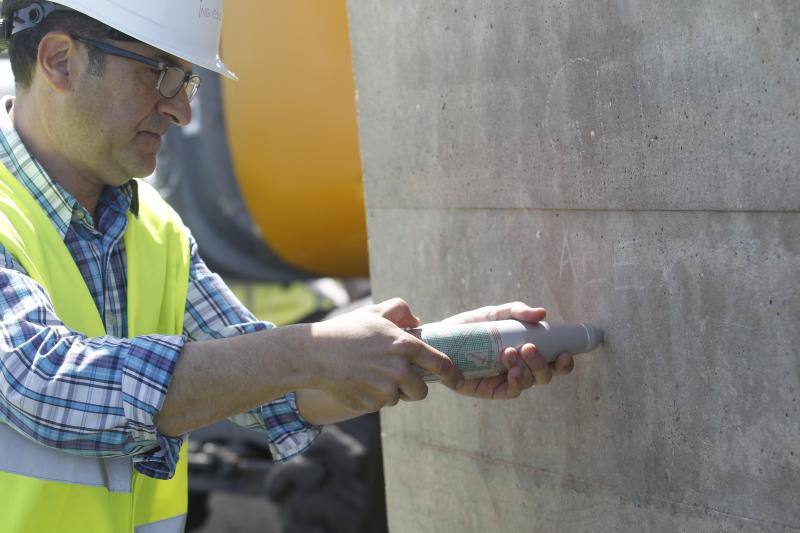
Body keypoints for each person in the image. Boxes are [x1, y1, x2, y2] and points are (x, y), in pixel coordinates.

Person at [0, 1, 575, 531]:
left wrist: (441, 352)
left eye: (187, 78)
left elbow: (268, 393)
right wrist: (312, 348)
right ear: (60, 61)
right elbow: (44, 385)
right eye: (161, 73)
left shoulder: (155, 228)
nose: (181, 108)